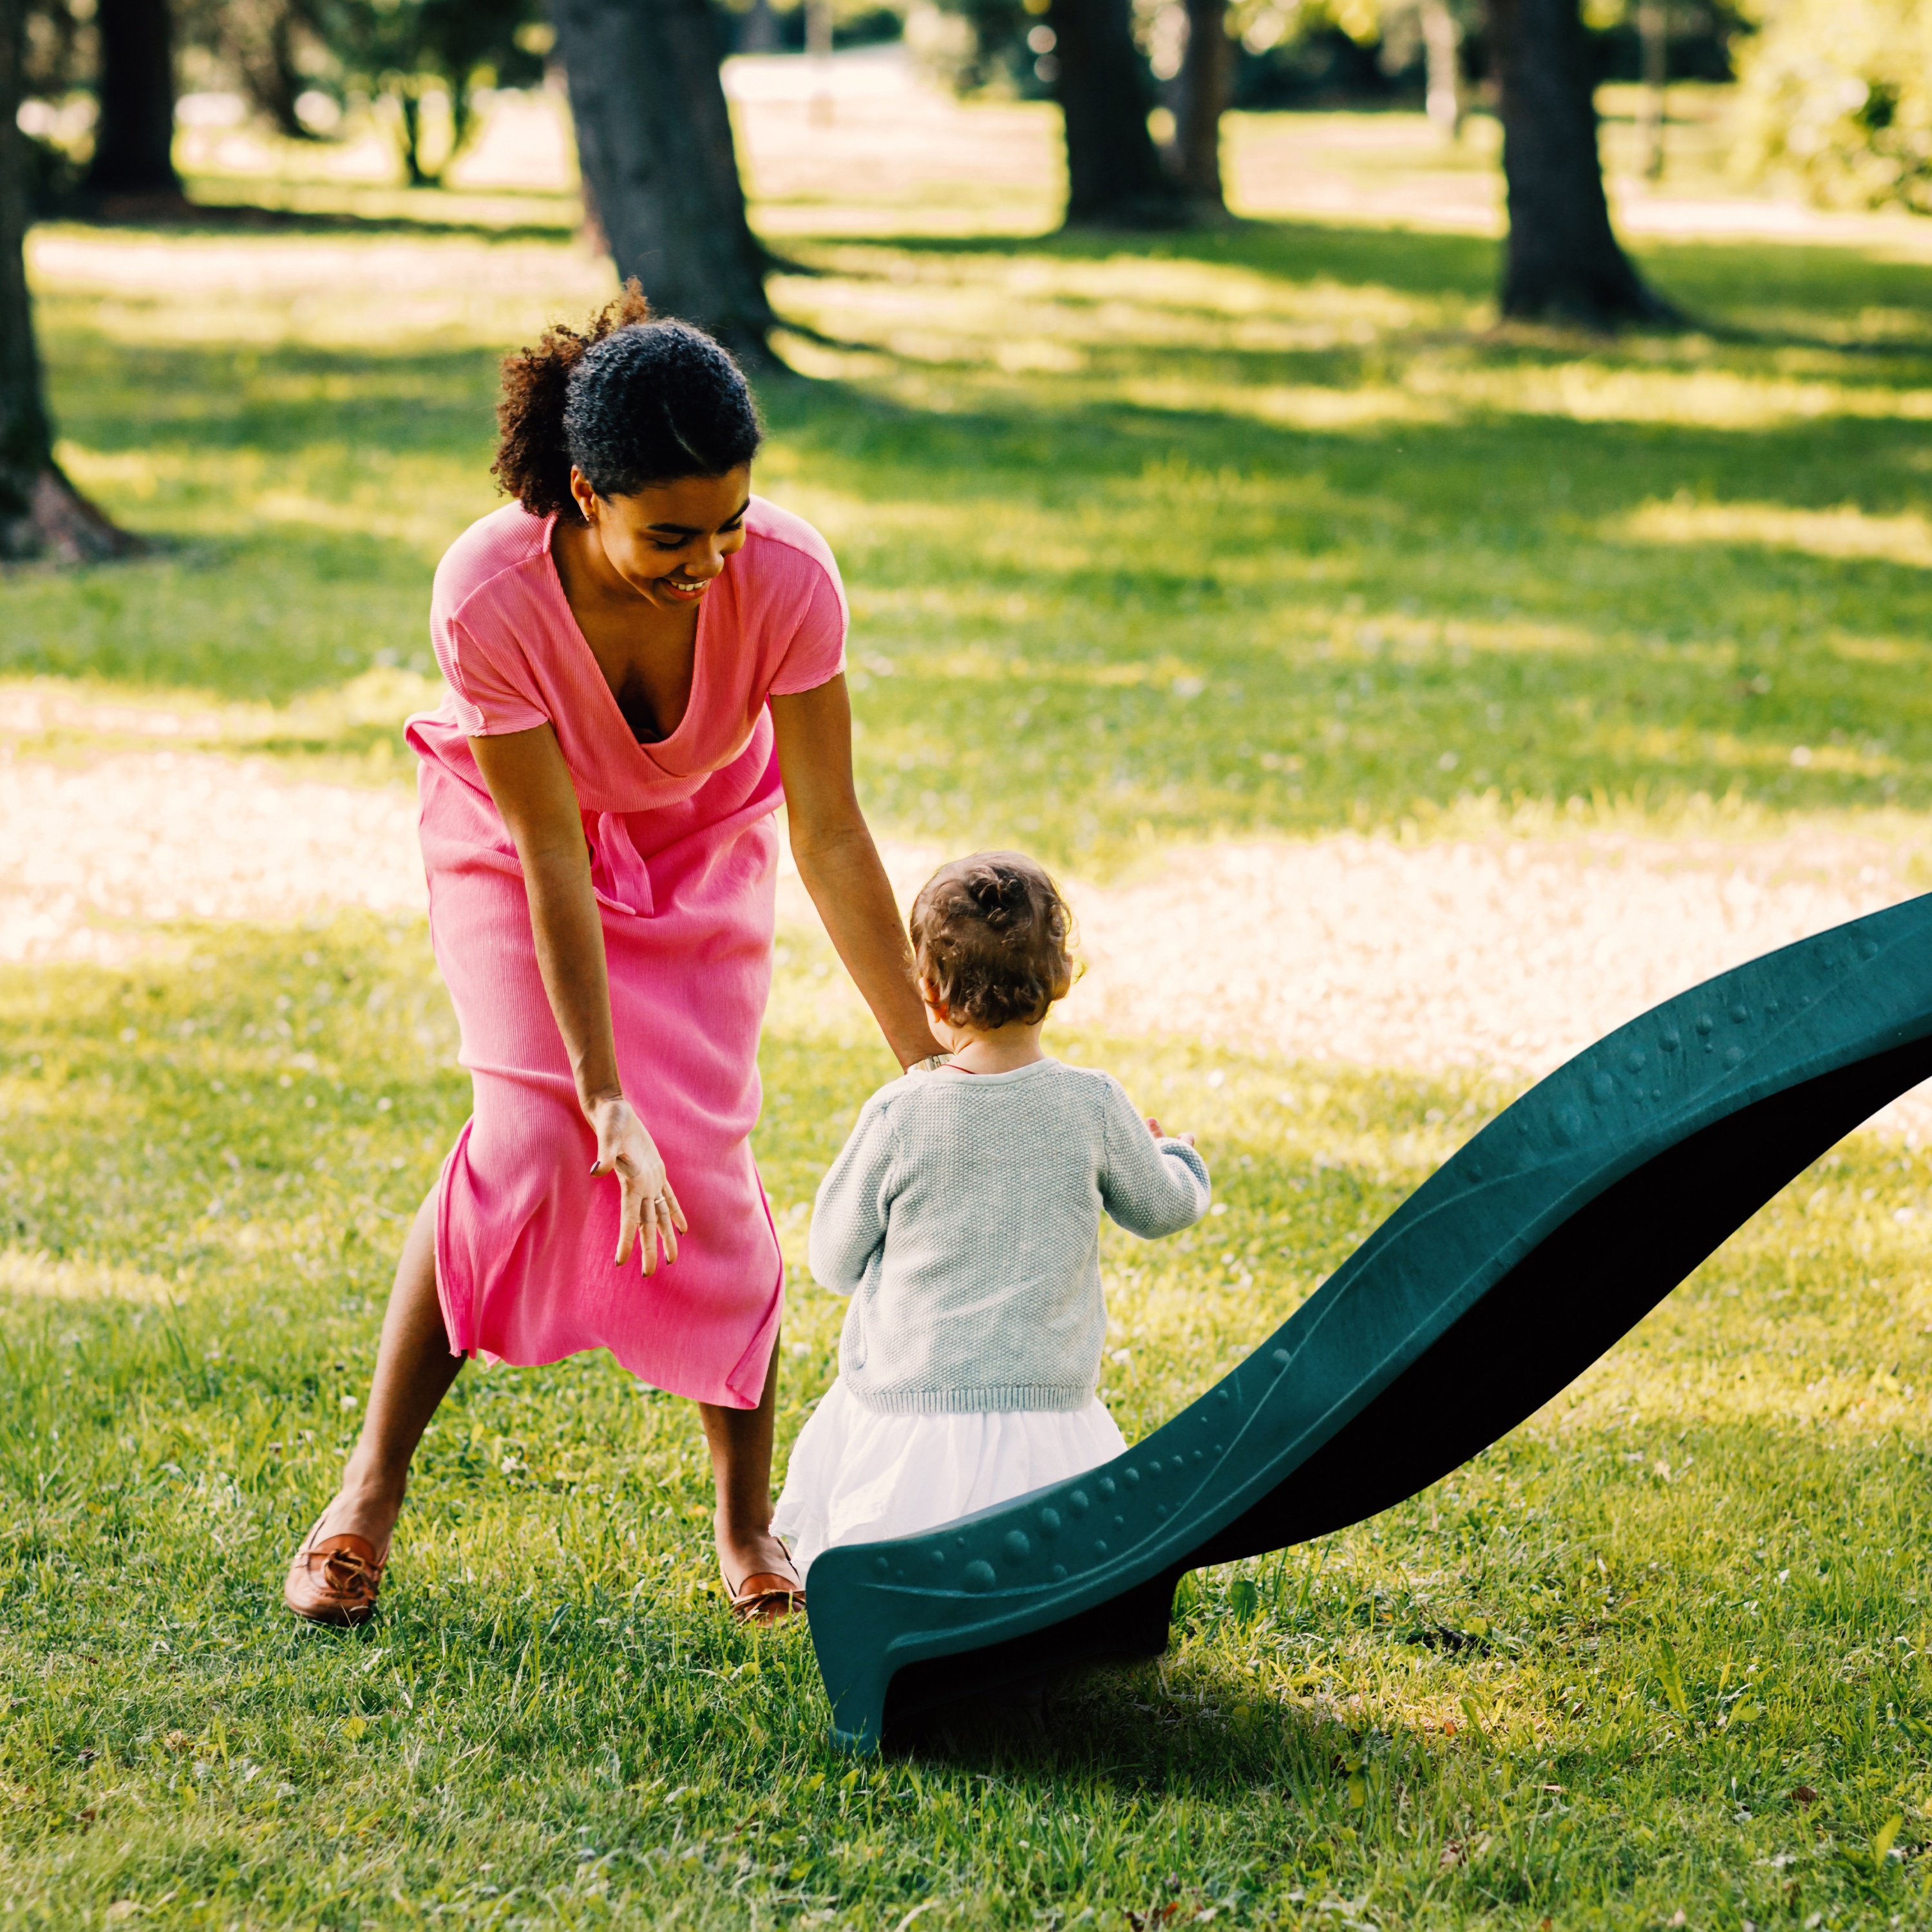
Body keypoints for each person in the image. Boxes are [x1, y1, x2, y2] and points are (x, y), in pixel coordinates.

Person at [283, 287, 943, 1629]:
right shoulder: (492, 593)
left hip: (703, 843)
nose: (711, 563)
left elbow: (827, 831)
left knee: (705, 1155)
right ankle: (364, 1497)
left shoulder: (793, 581)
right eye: (673, 535)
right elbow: (551, 856)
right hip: (524, 852)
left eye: (733, 523)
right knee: (527, 1142)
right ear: (586, 495)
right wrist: (596, 1091)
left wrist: (933, 1066)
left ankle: (747, 1524)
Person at [772, 851, 1211, 1575]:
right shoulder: (1094, 1103)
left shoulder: (900, 1113)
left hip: (908, 1413)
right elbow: (1163, 1209)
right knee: (1046, 1586)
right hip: (1048, 1413)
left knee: (901, 1580)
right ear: (1061, 979)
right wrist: (1181, 1159)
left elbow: (831, 1260)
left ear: (931, 996)